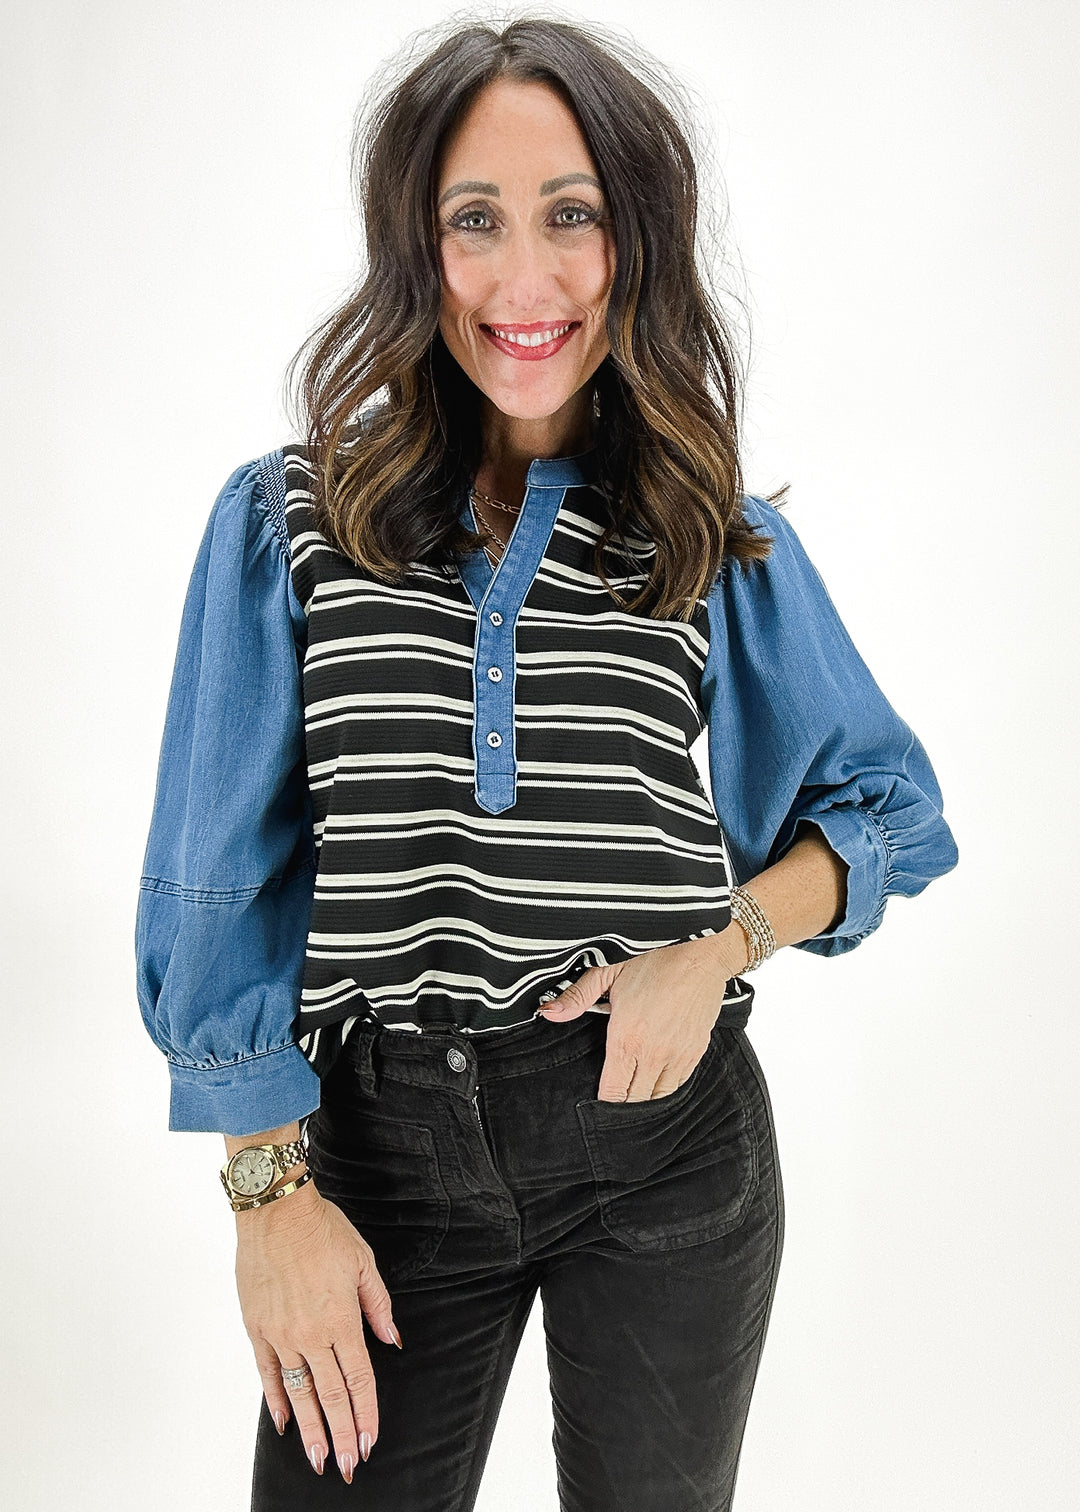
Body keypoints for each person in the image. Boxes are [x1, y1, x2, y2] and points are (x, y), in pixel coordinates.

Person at [135, 16, 959, 1511]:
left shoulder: (707, 531)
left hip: (665, 1148)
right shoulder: (289, 524)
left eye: (571, 215)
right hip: (377, 1160)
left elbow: (887, 806)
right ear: (414, 247)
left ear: (633, 239)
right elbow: (217, 884)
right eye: (475, 221)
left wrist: (718, 946)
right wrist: (270, 1196)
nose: (527, 280)